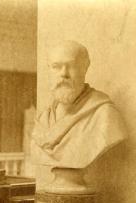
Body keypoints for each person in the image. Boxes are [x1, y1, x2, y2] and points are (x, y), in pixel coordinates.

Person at [31, 40, 125, 169]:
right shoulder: (43, 119)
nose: (64, 73)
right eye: (56, 66)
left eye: (72, 66)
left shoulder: (105, 115)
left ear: (85, 69)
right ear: (48, 70)